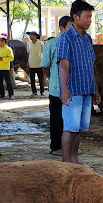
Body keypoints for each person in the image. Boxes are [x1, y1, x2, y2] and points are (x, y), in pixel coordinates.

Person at [57, 0, 101, 164]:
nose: (90, 20)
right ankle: (67, 163)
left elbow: (91, 66)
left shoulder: (87, 39)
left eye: (91, 17)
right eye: (87, 17)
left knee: (77, 129)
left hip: (86, 90)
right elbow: (64, 65)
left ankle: (74, 161)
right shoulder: (65, 38)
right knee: (69, 128)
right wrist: (64, 89)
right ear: (75, 17)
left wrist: (95, 89)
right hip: (73, 91)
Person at [41, 16, 72, 156]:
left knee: (71, 119)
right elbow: (45, 65)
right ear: (61, 28)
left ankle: (70, 147)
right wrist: (52, 78)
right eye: (70, 26)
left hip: (73, 88)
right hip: (56, 88)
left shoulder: (76, 43)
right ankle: (56, 146)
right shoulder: (52, 44)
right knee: (57, 118)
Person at [0, 36, 15, 100]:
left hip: (5, 68)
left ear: (4, 42)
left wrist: (3, 59)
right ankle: (1, 94)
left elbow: (12, 58)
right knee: (0, 82)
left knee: (8, 82)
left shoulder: (8, 49)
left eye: (0, 41)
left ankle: (11, 94)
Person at [26, 31, 45, 97]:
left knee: (41, 78)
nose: (30, 37)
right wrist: (28, 63)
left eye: (31, 35)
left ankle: (42, 91)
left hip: (39, 63)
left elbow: (44, 52)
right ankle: (34, 92)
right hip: (31, 63)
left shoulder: (40, 43)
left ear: (35, 36)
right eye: (30, 35)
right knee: (32, 79)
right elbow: (28, 53)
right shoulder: (28, 43)